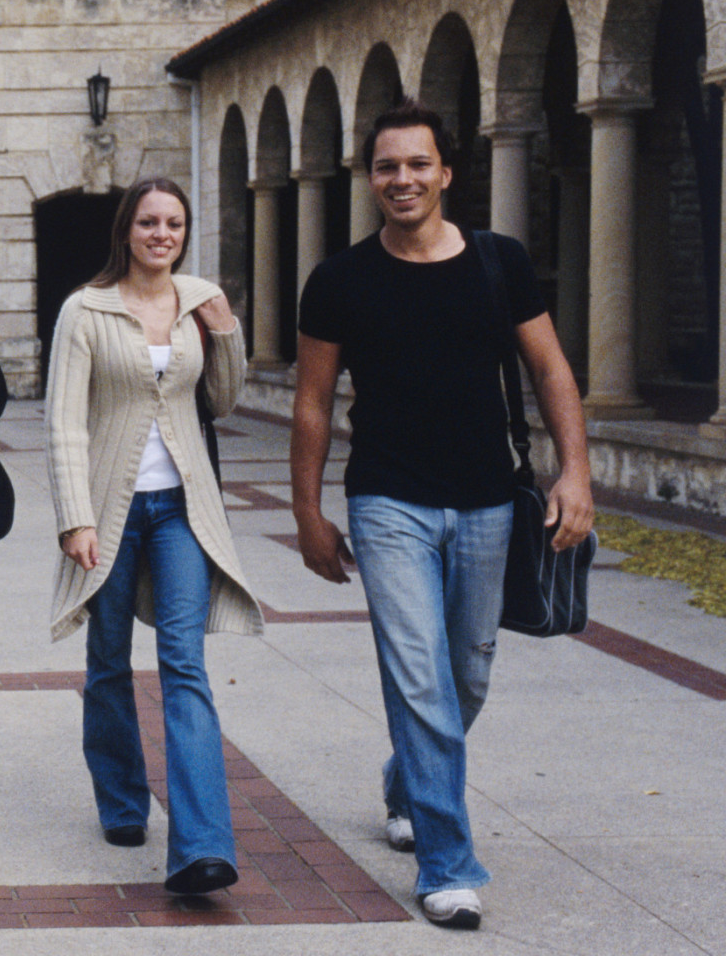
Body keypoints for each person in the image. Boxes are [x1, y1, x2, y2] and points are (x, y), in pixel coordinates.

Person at [292, 98, 593, 930]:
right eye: (386, 166)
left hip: (491, 502)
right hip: (388, 501)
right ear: (369, 177)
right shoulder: (340, 279)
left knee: (467, 676)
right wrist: (308, 511)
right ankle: (447, 863)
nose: (402, 179)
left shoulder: (499, 263)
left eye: (417, 164)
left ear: (446, 173)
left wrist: (577, 472)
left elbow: (552, 371)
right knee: (419, 676)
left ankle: (405, 783)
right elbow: (314, 404)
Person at [44, 176, 262, 896]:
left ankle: (202, 846)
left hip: (181, 510)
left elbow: (223, 400)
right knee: (108, 660)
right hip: (109, 512)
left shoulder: (197, 304)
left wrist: (226, 328)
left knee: (184, 665)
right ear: (126, 231)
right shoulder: (86, 309)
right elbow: (64, 423)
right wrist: (74, 516)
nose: (161, 234)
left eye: (173, 223)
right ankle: (122, 799)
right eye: (148, 222)